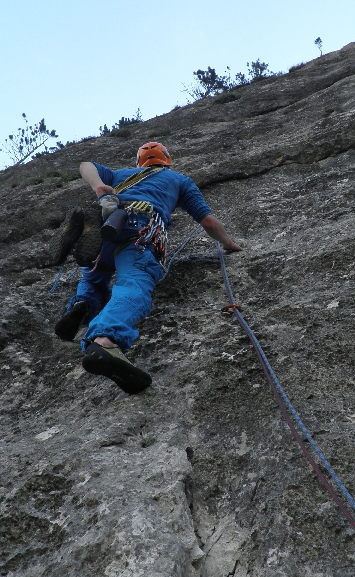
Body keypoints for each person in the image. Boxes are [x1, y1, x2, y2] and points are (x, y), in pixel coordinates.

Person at [54, 141, 241, 394]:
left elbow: (85, 165)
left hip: (107, 223)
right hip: (140, 231)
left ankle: (83, 305)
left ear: (139, 162)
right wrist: (228, 243)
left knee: (96, 274)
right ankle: (105, 340)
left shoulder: (121, 174)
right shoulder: (180, 180)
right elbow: (208, 222)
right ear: (167, 160)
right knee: (133, 283)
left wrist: (98, 186)